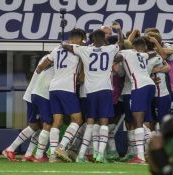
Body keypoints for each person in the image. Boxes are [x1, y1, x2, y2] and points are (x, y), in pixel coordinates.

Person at [61, 22, 124, 163]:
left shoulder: (86, 50)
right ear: (103, 38)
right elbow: (121, 43)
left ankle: (81, 155)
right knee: (104, 122)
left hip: (90, 91)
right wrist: (119, 31)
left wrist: (65, 43)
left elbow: (66, 46)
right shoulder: (110, 49)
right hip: (105, 90)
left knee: (89, 122)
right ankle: (100, 155)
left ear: (92, 39)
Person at [36, 28, 86, 162]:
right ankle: (61, 147)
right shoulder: (78, 49)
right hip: (67, 88)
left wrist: (39, 70)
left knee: (57, 121)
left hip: (54, 88)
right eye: (83, 40)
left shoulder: (57, 49)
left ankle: (52, 155)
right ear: (80, 39)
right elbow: (81, 78)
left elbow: (42, 65)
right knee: (77, 119)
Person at [2, 54, 52, 162]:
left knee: (37, 125)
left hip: (34, 92)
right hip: (38, 93)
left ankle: (27, 154)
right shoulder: (52, 57)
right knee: (41, 124)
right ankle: (12, 149)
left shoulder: (48, 57)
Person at [116, 37, 157, 163]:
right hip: (150, 85)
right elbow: (153, 53)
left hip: (139, 86)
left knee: (137, 121)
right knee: (144, 120)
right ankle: (152, 153)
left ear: (132, 46)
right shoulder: (143, 54)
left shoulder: (126, 53)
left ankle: (140, 156)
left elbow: (116, 58)